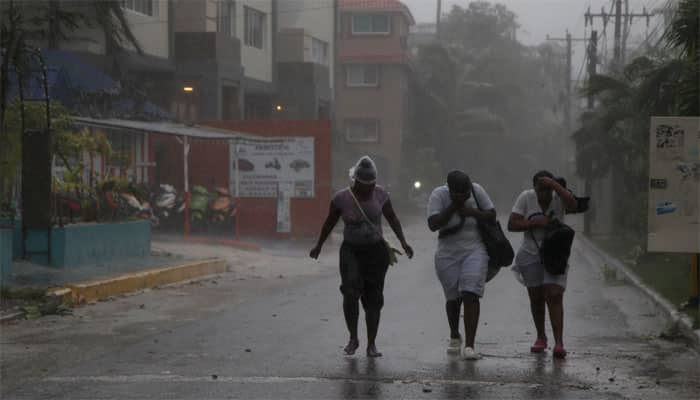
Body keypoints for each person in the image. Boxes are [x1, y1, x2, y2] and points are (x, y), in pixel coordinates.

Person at [310, 156, 414, 357]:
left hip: (376, 253)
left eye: (371, 184)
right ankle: (353, 338)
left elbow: (392, 217)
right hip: (351, 251)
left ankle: (371, 344)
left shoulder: (381, 194)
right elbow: (329, 222)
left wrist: (403, 241)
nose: (368, 188)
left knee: (373, 299)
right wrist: (319, 245)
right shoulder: (341, 198)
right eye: (364, 184)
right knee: (350, 292)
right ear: (355, 181)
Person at [507, 170, 577, 359]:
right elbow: (512, 224)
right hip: (531, 253)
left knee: (554, 295)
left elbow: (573, 204)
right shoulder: (526, 198)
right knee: (536, 297)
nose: (545, 194)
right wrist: (535, 223)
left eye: (548, 189)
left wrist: (556, 186)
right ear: (534, 189)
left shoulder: (559, 196)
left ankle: (559, 343)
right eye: (541, 189)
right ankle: (541, 337)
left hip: (555, 253)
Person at [427, 170, 496, 360]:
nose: (463, 196)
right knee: (453, 298)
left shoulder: (477, 191)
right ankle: (455, 335)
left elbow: (492, 215)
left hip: (475, 248)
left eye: (465, 193)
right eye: (457, 193)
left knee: (470, 292)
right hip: (447, 253)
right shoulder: (438, 195)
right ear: (449, 190)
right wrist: (453, 207)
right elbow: (433, 224)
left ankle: (470, 346)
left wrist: (472, 211)